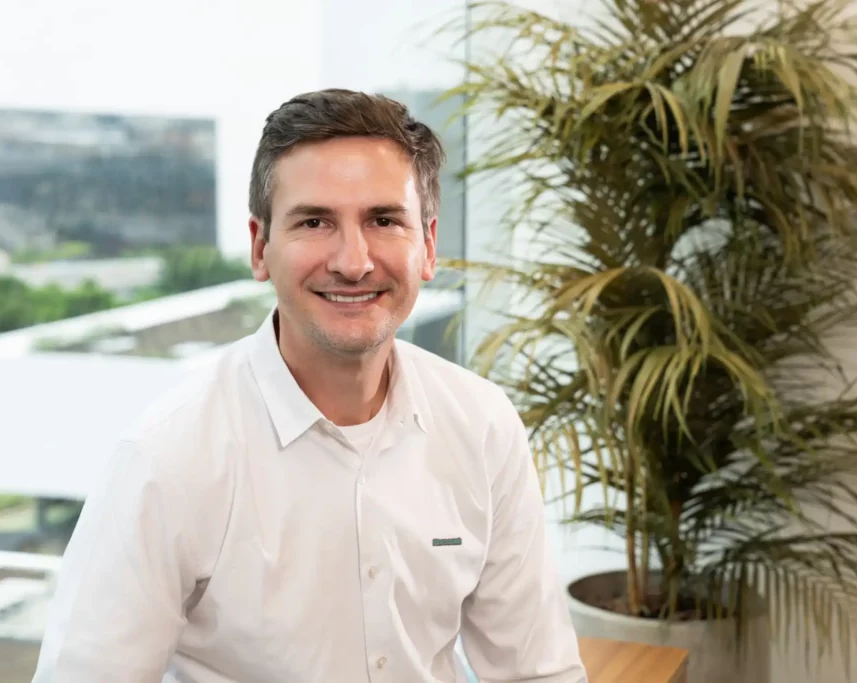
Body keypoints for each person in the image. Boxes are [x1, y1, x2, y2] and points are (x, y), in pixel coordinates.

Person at [31, 89, 586, 683]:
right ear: (259, 247)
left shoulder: (482, 424)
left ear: (426, 244)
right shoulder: (166, 458)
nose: (353, 261)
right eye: (315, 221)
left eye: (383, 220)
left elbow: (537, 672)